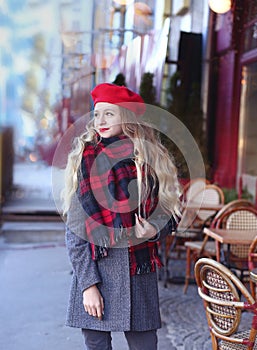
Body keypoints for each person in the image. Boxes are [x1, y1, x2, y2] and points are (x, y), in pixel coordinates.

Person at [62, 83, 181, 350]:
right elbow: (75, 233)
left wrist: (155, 230)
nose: (100, 121)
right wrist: (88, 285)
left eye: (109, 114)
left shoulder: (149, 161)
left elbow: (172, 213)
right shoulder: (88, 161)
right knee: (97, 345)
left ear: (126, 116)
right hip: (97, 272)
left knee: (145, 346)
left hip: (138, 274)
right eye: (97, 114)